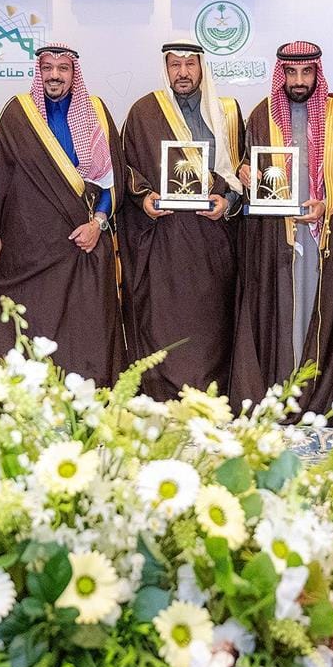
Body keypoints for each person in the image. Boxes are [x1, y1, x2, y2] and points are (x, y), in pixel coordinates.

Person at [0, 43, 122, 383]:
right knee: (29, 324)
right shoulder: (18, 112)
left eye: (63, 69)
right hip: (27, 248)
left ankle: (84, 395)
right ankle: (26, 396)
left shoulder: (96, 111)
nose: (54, 75)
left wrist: (98, 224)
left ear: (74, 73)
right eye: (47, 68)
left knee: (85, 327)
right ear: (38, 72)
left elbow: (113, 180)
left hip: (82, 243)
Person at [230, 41, 333, 416]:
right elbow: (248, 164)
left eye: (306, 72)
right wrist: (244, 171)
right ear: (281, 74)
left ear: (317, 73)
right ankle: (278, 394)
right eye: (291, 72)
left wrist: (327, 204)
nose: (299, 80)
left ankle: (315, 398)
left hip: (326, 236)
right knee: (282, 311)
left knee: (319, 311)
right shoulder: (262, 114)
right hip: (276, 239)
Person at [118, 41, 244, 399]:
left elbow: (243, 171)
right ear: (166, 68)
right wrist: (144, 198)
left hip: (213, 240)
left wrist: (228, 201)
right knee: (164, 319)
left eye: (190, 64)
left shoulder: (228, 112)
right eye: (175, 65)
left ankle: (209, 395)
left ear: (202, 67)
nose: (183, 73)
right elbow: (125, 167)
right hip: (165, 239)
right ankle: (161, 395)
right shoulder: (144, 112)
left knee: (211, 322)